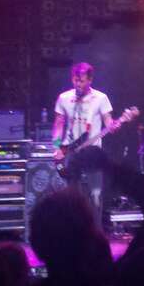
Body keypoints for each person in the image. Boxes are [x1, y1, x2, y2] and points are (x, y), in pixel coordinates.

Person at [52, 62, 122, 224]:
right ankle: (73, 232)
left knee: (95, 195)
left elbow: (108, 121)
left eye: (82, 81)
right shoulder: (64, 98)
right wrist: (56, 147)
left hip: (92, 153)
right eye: (75, 80)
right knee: (71, 196)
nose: (78, 84)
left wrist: (113, 126)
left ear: (90, 80)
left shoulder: (101, 98)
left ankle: (96, 233)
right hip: (70, 151)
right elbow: (58, 123)